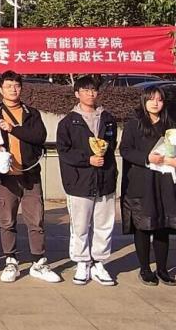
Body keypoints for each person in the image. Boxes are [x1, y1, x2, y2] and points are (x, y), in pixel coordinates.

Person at [0, 71, 60, 283]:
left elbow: (39, 137)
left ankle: (39, 261)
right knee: (7, 220)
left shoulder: (31, 113)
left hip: (30, 174)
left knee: (36, 220)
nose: (13, 90)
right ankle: (10, 260)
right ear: (1, 89)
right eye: (8, 86)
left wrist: (13, 129)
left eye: (16, 86)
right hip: (6, 177)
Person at [119, 87, 176, 286]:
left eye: (159, 99)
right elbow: (125, 150)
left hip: (165, 182)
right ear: (144, 101)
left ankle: (163, 269)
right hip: (143, 181)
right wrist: (146, 158)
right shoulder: (134, 124)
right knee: (143, 225)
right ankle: (145, 269)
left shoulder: (172, 125)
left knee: (163, 226)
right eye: (151, 99)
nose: (155, 103)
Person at [57, 75, 118, 286]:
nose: (90, 94)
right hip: (79, 182)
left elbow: (112, 144)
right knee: (80, 225)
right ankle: (82, 262)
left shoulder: (108, 118)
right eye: (85, 90)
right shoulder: (68, 122)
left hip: (105, 180)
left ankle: (99, 262)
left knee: (104, 225)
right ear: (77, 94)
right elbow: (64, 151)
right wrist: (87, 159)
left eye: (93, 90)